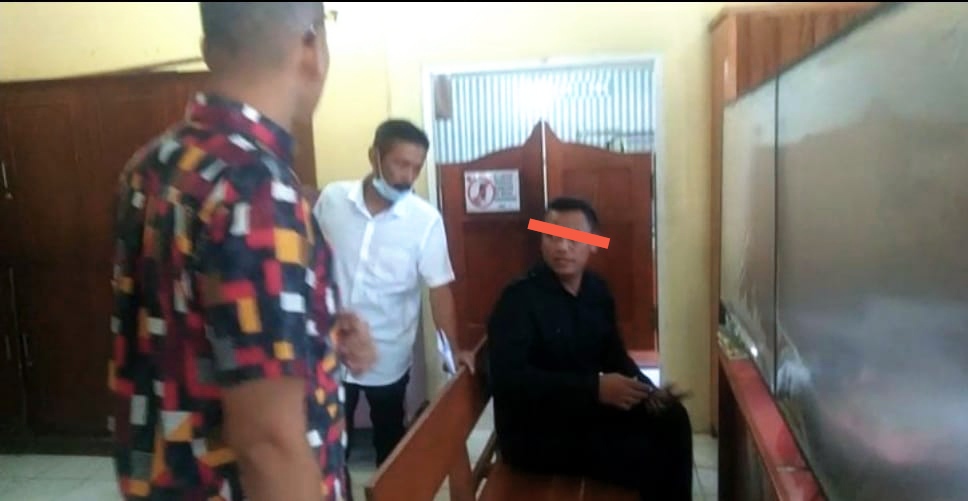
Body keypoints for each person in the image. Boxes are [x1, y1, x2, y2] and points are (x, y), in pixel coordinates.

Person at [108, 3, 375, 500]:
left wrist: (314, 331)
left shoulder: (150, 165)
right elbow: (269, 445)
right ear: (310, 46)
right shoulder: (258, 188)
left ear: (209, 50)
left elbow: (187, 328)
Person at [486, 197, 694, 500]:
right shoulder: (518, 299)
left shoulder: (597, 290)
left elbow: (614, 356)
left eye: (573, 238)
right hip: (535, 432)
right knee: (650, 457)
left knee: (672, 418)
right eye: (552, 237)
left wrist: (648, 391)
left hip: (583, 412)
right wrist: (593, 389)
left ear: (593, 243)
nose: (562, 247)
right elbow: (509, 381)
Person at [313, 119, 473, 468]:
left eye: (416, 167)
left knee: (390, 443)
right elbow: (308, 259)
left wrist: (452, 350)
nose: (408, 176)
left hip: (387, 353)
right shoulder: (333, 200)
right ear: (374, 156)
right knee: (329, 446)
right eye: (401, 164)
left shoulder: (425, 221)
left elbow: (439, 290)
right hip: (328, 348)